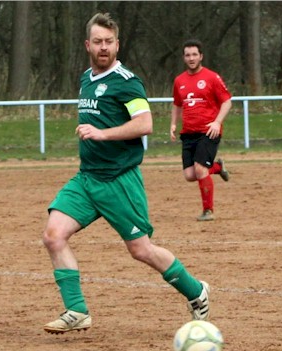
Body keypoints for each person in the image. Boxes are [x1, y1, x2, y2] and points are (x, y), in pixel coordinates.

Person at [42, 12, 211, 334]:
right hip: (87, 178)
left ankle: (196, 291)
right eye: (98, 42)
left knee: (141, 250)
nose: (103, 47)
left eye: (109, 42)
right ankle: (77, 310)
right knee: (53, 236)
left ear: (117, 44)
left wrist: (102, 134)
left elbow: (145, 124)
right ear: (87, 45)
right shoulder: (85, 79)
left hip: (119, 180)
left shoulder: (127, 82)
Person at [170, 39, 232, 222]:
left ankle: (208, 211)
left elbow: (227, 101)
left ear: (201, 56)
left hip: (208, 131)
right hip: (188, 133)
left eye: (194, 54)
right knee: (190, 175)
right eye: (188, 55)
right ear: (184, 58)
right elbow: (177, 104)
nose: (191, 58)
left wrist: (217, 122)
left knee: (199, 169)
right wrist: (173, 124)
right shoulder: (179, 80)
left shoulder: (212, 77)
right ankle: (218, 167)